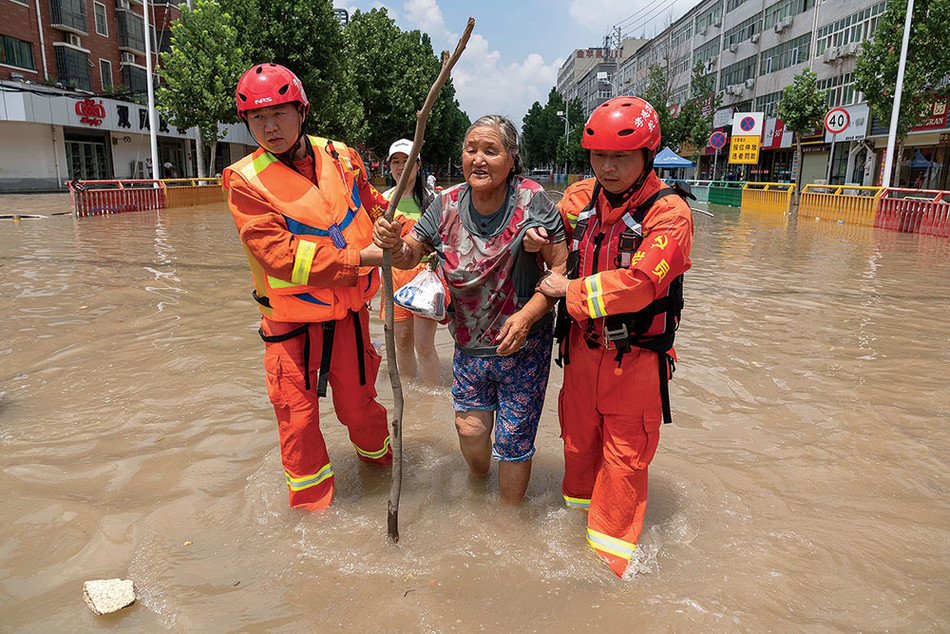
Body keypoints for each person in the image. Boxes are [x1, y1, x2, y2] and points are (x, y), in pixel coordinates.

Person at [529, 96, 694, 577]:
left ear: (648, 155)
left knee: (623, 467)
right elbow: (546, 224)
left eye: (621, 157)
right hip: (581, 354)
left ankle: (606, 573)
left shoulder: (670, 215)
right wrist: (541, 239)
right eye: (599, 156)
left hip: (635, 362)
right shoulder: (581, 197)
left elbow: (641, 284)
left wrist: (568, 288)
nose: (608, 167)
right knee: (577, 451)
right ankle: (570, 540)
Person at [222, 63, 396, 510]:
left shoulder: (342, 156)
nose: (270, 126)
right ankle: (312, 518)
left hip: (350, 316)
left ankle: (383, 472)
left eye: (280, 113)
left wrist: (401, 234)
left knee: (361, 410)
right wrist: (359, 259)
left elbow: (373, 208)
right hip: (290, 325)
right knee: (297, 424)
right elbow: (278, 255)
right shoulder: (244, 180)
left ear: (302, 111)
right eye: (258, 118)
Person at [373, 115, 567, 504]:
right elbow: (412, 252)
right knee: (470, 430)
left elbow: (562, 268)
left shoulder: (533, 201)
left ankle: (509, 524)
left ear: (512, 158)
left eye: (490, 151)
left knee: (513, 442)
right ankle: (480, 486)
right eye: (471, 149)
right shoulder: (444, 204)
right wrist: (392, 244)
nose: (478, 159)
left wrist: (528, 316)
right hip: (468, 345)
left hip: (524, 346)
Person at [382, 138, 440, 386]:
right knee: (402, 344)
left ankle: (431, 395)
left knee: (424, 345)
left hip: (424, 279)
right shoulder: (382, 201)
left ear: (418, 165)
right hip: (392, 280)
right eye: (395, 161)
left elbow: (444, 239)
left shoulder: (432, 200)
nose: (400, 166)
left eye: (407, 161)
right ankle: (409, 395)